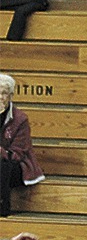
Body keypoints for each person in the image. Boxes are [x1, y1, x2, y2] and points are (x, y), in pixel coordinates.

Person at [1, 73, 45, 217]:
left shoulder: (20, 119)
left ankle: (2, 207)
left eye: (4, 93)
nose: (0, 97)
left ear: (11, 96)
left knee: (3, 166)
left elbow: (17, 154)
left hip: (15, 166)